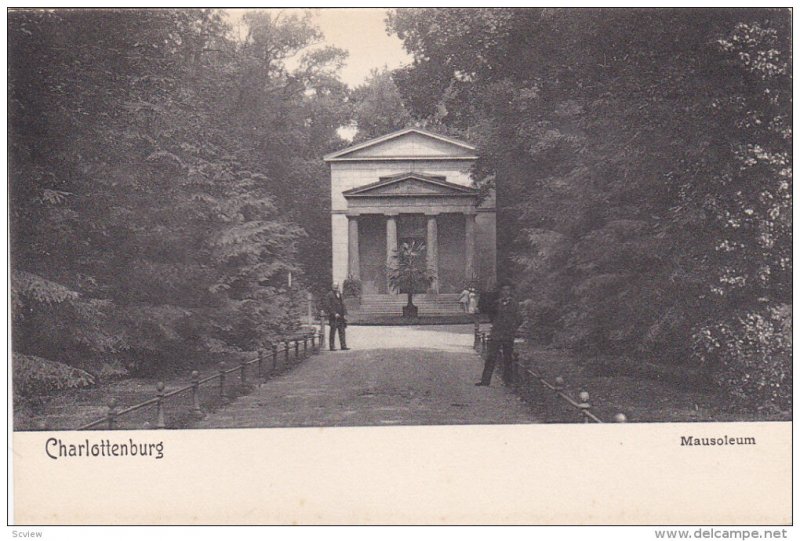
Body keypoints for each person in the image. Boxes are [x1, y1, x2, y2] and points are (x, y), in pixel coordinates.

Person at [476, 281, 522, 387]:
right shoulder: (496, 303)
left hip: (508, 334)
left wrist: (512, 327)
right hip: (496, 333)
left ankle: (508, 381)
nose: (506, 292)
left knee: (507, 357)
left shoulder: (515, 304)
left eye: (508, 290)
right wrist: (496, 324)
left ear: (510, 292)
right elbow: (491, 315)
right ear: (501, 292)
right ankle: (485, 380)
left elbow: (519, 318)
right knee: (491, 357)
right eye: (504, 290)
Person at [323, 282, 349, 351]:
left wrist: (345, 314)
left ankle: (343, 346)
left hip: (341, 316)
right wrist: (334, 313)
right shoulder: (329, 295)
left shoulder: (340, 294)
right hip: (333, 317)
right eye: (334, 286)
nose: (336, 287)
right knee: (333, 331)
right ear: (332, 287)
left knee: (342, 331)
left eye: (337, 286)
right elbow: (328, 306)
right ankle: (332, 347)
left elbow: (343, 304)